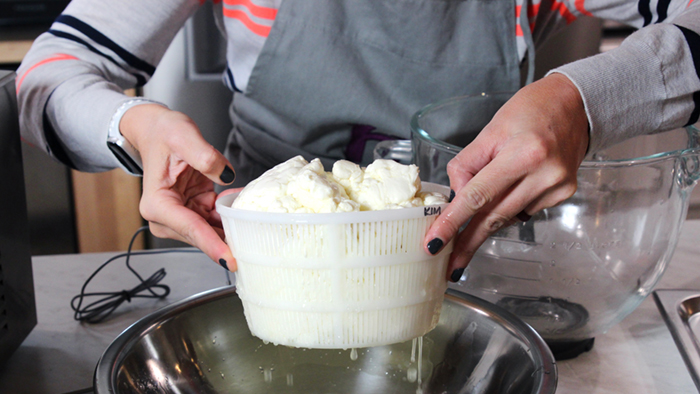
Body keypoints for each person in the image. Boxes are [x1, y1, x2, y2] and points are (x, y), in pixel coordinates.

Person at [16, 0, 700, 281]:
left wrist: (578, 101)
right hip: (258, 273)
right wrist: (133, 126)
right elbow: (49, 75)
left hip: (469, 275)